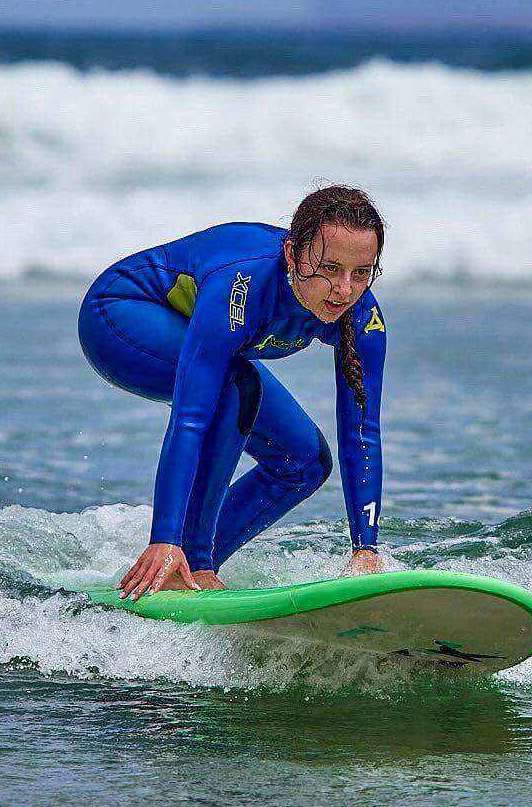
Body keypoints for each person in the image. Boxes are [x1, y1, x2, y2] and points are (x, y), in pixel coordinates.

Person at [78, 185, 388, 599]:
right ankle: (188, 559)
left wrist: (365, 549)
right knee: (234, 386)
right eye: (330, 268)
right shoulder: (243, 283)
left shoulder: (363, 318)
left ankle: (181, 568)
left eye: (360, 273)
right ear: (293, 255)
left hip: (192, 334)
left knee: (305, 461)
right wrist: (162, 537)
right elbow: (191, 418)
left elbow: (362, 433)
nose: (344, 290)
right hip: (119, 314)